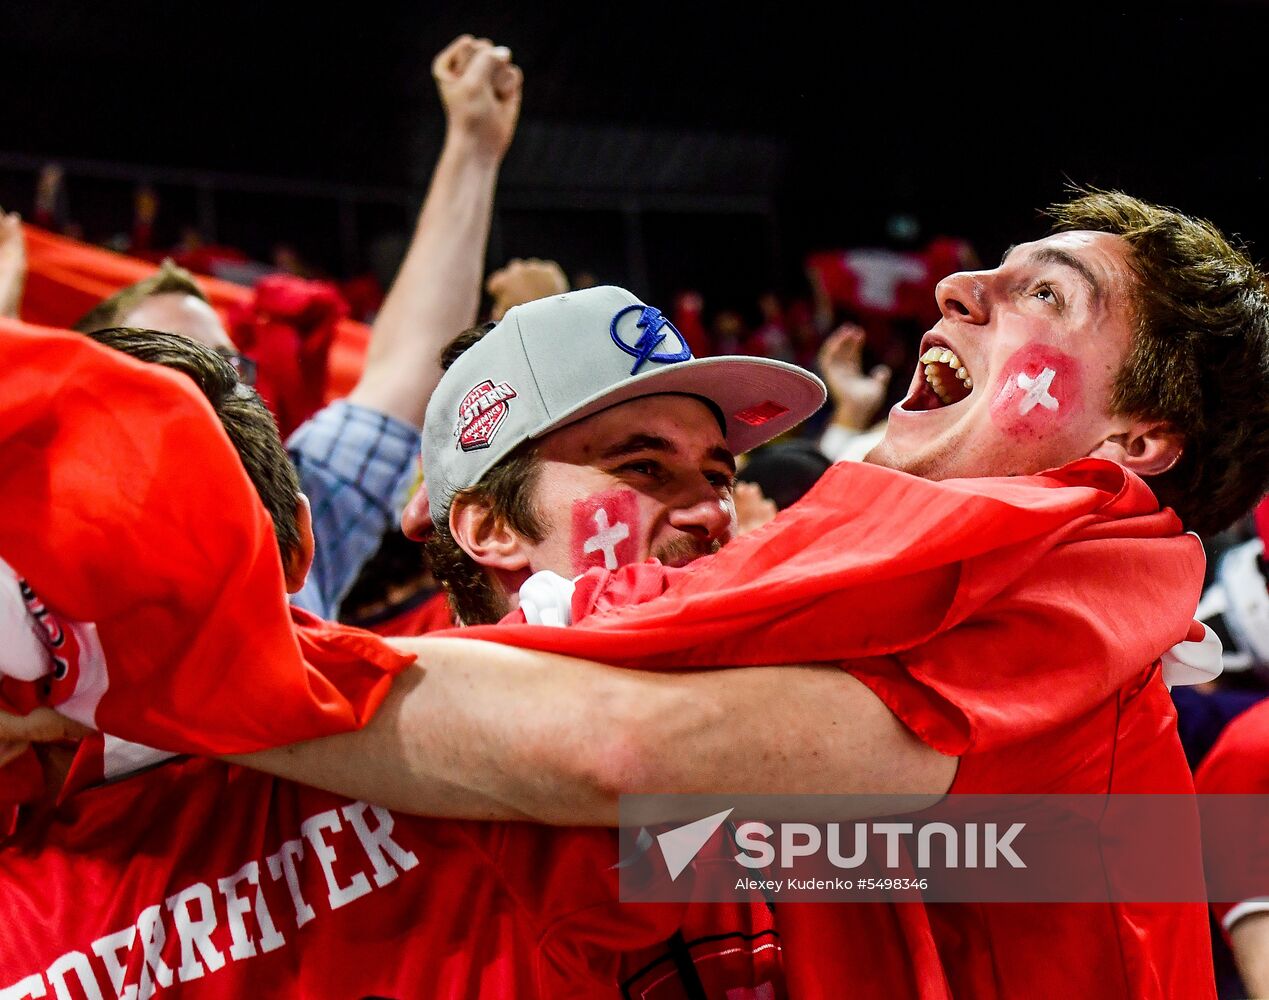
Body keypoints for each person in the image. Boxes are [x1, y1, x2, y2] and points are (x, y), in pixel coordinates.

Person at [232, 190, 1269, 999]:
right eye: (642, 467)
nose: (707, 511)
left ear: (1135, 443)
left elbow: (625, 752)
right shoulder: (876, 637)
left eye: (1048, 293)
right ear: (483, 524)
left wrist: (188, 662)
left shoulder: (1072, 566)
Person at [71, 34, 524, 621]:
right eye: (171, 365)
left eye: (230, 365)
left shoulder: (295, 505)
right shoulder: (35, 556)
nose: (211, 385)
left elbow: (412, 360)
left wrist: (473, 144)